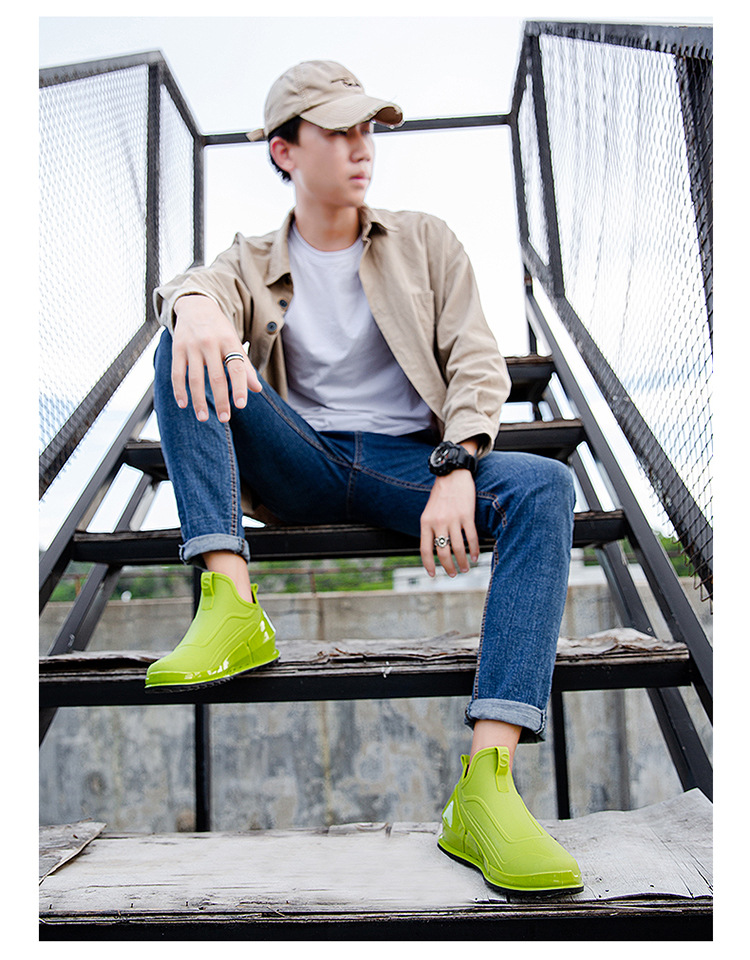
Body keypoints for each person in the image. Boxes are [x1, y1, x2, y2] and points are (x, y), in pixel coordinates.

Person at [147, 60, 582, 895]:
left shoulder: (426, 240)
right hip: (300, 458)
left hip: (407, 465)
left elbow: (478, 362)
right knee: (184, 342)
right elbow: (199, 288)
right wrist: (193, 305)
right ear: (284, 151)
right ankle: (230, 603)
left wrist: (457, 464)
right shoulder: (249, 258)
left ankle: (486, 790)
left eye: (366, 129)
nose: (361, 147)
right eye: (338, 131)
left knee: (545, 487)